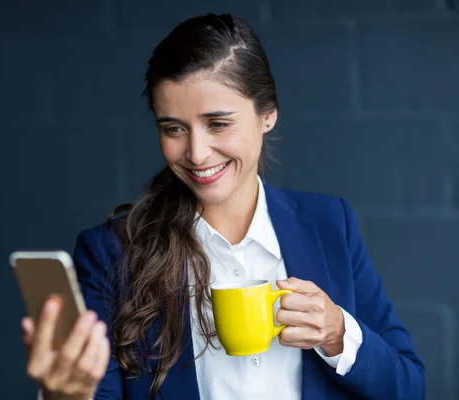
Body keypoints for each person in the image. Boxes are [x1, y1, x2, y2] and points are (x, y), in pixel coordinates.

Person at [21, 13, 426, 400]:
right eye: (174, 129)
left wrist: (338, 333)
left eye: (218, 124)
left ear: (267, 115)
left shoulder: (329, 223)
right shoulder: (111, 251)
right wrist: (65, 392)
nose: (196, 154)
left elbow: (409, 387)